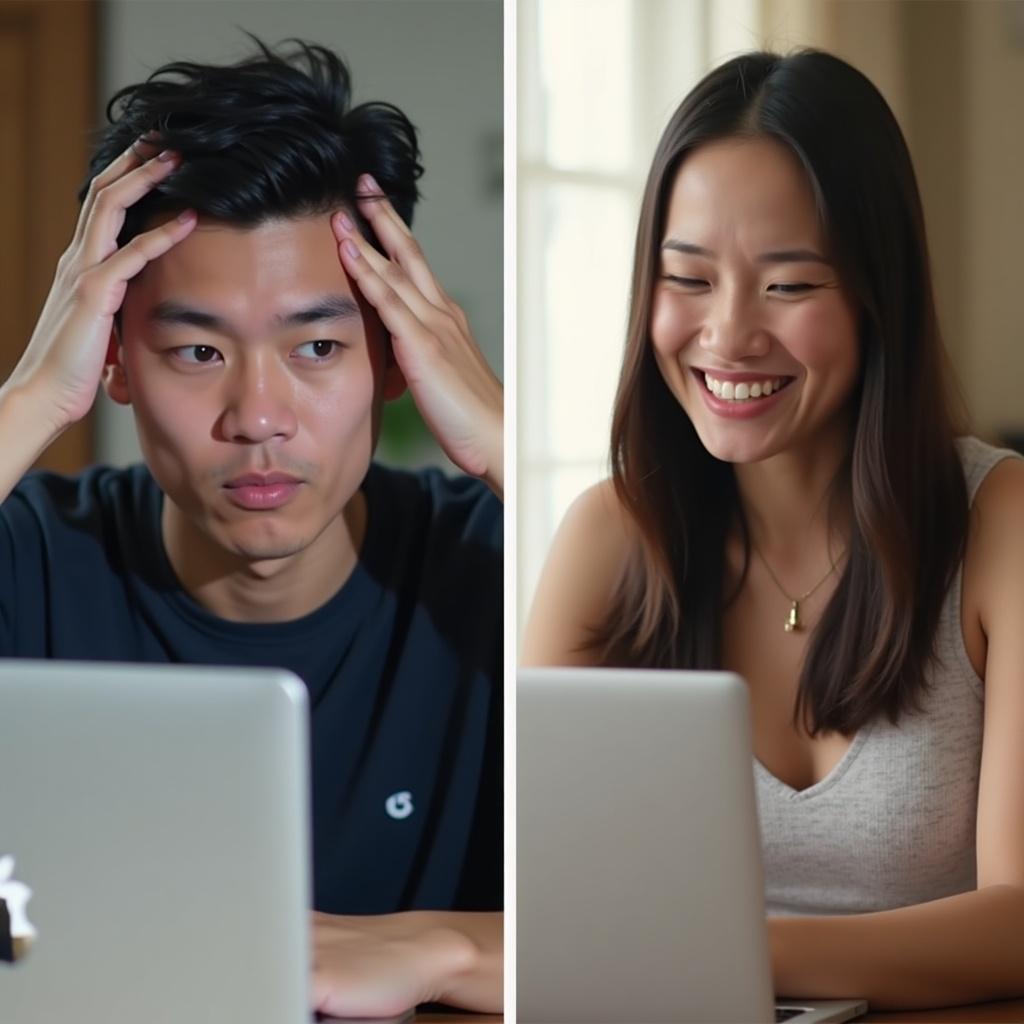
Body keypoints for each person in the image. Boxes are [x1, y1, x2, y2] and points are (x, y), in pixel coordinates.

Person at [0, 39, 502, 1016]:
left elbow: (666, 926)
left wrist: (502, 438)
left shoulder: (499, 555)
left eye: (317, 345)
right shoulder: (32, 558)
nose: (258, 415)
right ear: (110, 361)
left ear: (398, 358)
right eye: (195, 349)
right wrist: (25, 398)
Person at [522, 48, 1024, 1010]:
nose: (728, 335)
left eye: (789, 286)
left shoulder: (998, 524)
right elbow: (537, 889)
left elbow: (1020, 917)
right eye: (689, 279)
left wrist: (725, 953)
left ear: (881, 298)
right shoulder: (609, 542)